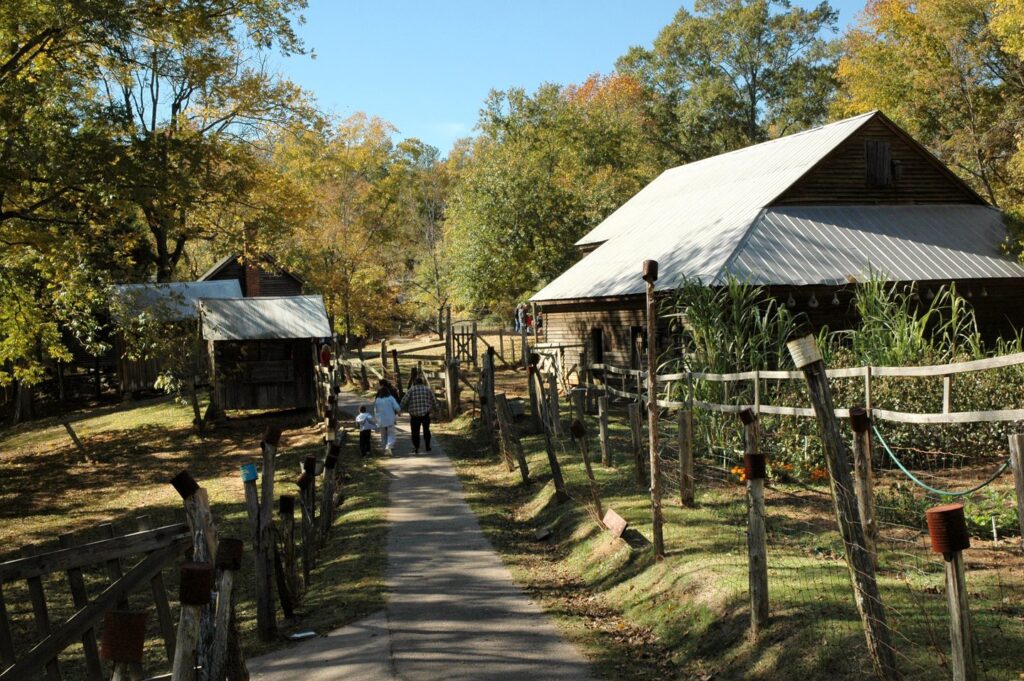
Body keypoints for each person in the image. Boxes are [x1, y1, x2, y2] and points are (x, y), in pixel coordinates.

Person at [400, 377, 436, 453]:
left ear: (415, 383)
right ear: (422, 382)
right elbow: (434, 400)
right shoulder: (428, 389)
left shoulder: (411, 390)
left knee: (415, 432)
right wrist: (437, 409)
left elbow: (404, 401)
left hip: (414, 415)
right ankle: (427, 446)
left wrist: (400, 409)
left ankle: (416, 447)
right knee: (426, 431)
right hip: (425, 414)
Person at [374, 385, 401, 455]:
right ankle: (388, 446)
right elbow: (396, 407)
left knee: (383, 435)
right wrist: (399, 413)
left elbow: (376, 410)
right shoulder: (390, 398)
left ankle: (384, 448)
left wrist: (376, 420)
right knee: (391, 434)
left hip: (381, 420)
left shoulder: (377, 400)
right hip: (390, 419)